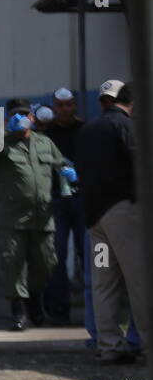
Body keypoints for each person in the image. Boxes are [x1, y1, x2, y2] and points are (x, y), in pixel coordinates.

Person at [74, 80, 147, 364]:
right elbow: (139, 164)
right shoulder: (127, 127)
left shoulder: (86, 131)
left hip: (95, 221)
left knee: (104, 283)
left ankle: (109, 344)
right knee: (139, 280)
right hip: (123, 216)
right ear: (131, 103)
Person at [0, 105, 69, 330]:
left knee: (46, 262)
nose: (21, 120)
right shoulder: (3, 143)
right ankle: (19, 312)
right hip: (12, 217)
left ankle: (34, 302)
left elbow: (61, 165)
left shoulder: (44, 142)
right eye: (15, 116)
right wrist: (3, 130)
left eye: (25, 115)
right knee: (13, 263)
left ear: (33, 118)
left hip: (42, 216)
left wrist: (69, 172)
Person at [42, 88, 86, 324]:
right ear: (54, 107)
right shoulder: (47, 133)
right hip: (56, 199)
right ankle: (59, 307)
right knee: (56, 255)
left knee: (88, 252)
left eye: (69, 105)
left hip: (82, 198)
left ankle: (93, 307)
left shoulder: (84, 130)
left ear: (75, 106)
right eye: (60, 105)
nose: (65, 109)